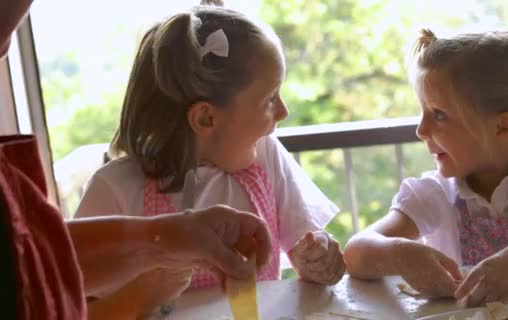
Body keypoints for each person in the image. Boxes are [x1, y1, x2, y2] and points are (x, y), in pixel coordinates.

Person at [0, 1, 273, 319]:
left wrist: (170, 237)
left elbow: (31, 261)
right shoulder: (115, 183)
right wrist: (142, 289)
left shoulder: (263, 162)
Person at [75, 0, 345, 313]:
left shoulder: (266, 154)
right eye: (269, 100)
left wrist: (316, 258)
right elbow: (71, 308)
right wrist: (143, 293)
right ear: (206, 119)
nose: (283, 112)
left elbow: (304, 245)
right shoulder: (115, 190)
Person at [344, 27, 508, 307]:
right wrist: (399, 253)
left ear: (503, 126)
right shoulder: (433, 194)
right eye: (423, 113)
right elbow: (356, 252)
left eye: (439, 114)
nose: (421, 130)